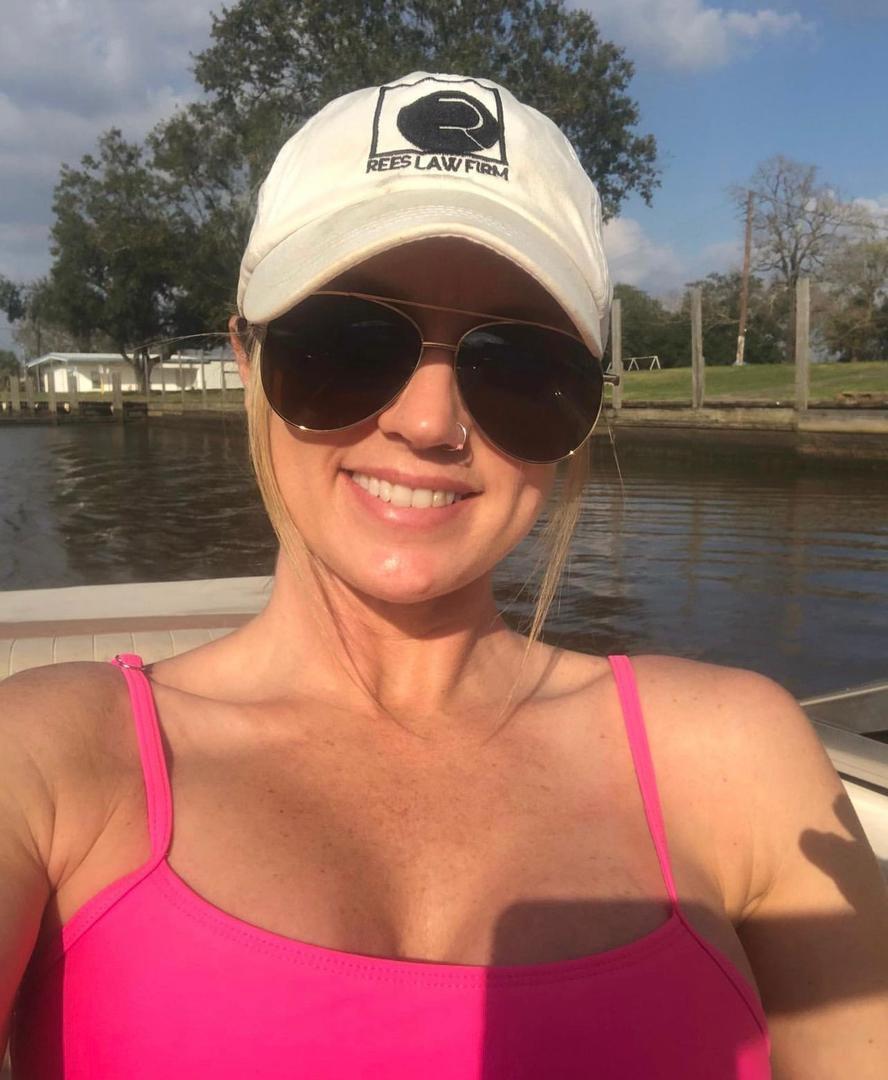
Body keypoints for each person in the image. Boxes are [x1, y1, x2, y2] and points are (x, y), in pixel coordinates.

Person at [1, 71, 886, 1079]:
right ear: (249, 354)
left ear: (585, 404)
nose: (428, 423)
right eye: (348, 342)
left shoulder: (739, 758)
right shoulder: (47, 762)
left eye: (516, 363)